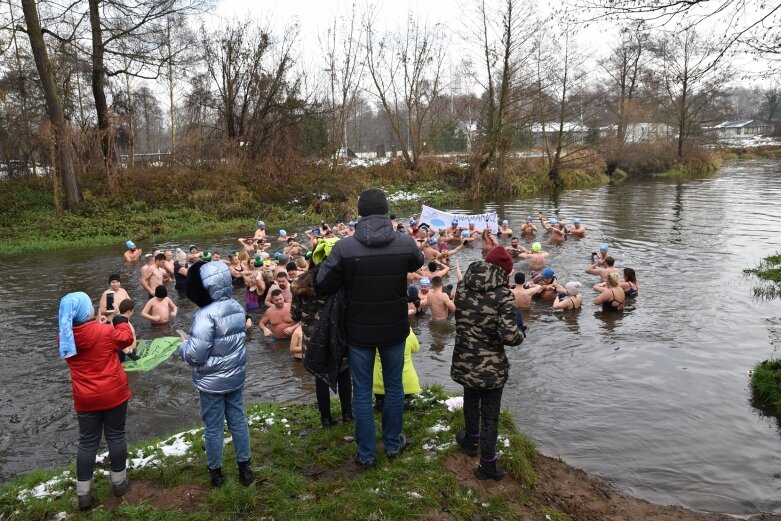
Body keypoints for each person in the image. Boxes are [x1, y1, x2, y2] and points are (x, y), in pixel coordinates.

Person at [316, 187, 424, 469]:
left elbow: (322, 284)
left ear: (360, 213)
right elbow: (418, 260)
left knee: (362, 392)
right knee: (394, 386)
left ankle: (366, 454)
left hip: (358, 332)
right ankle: (391, 444)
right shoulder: (403, 242)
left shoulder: (345, 247)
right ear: (386, 211)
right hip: (395, 329)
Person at [179, 261, 254, 488]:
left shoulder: (205, 315)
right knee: (239, 421)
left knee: (213, 427)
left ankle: (216, 473)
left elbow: (196, 355)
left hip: (211, 382)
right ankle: (245, 469)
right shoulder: (237, 307)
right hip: (235, 376)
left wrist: (182, 345)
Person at [58, 292, 135, 509]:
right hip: (113, 393)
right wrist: (118, 320)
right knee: (116, 435)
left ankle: (83, 494)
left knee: (87, 442)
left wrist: (100, 324)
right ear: (84, 311)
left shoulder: (64, 336)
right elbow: (125, 339)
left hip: (85, 398)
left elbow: (86, 337)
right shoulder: (105, 331)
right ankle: (119, 483)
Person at [451, 246, 523, 481]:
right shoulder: (503, 296)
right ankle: (487, 465)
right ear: (504, 272)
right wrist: (521, 331)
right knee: (490, 415)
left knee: (471, 399)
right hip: (491, 366)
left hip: (464, 358)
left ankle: (471, 440)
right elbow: (511, 338)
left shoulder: (462, 286)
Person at [290, 261, 352, 427]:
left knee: (320, 377)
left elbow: (294, 315)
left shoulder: (301, 286)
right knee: (344, 374)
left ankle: (326, 419)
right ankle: (347, 414)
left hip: (313, 338)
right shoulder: (342, 280)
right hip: (339, 335)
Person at [373, 328, 421, 411]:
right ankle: (405, 402)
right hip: (407, 383)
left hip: (379, 383)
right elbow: (416, 349)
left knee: (381, 398)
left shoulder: (374, 333)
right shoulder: (407, 332)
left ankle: (380, 402)